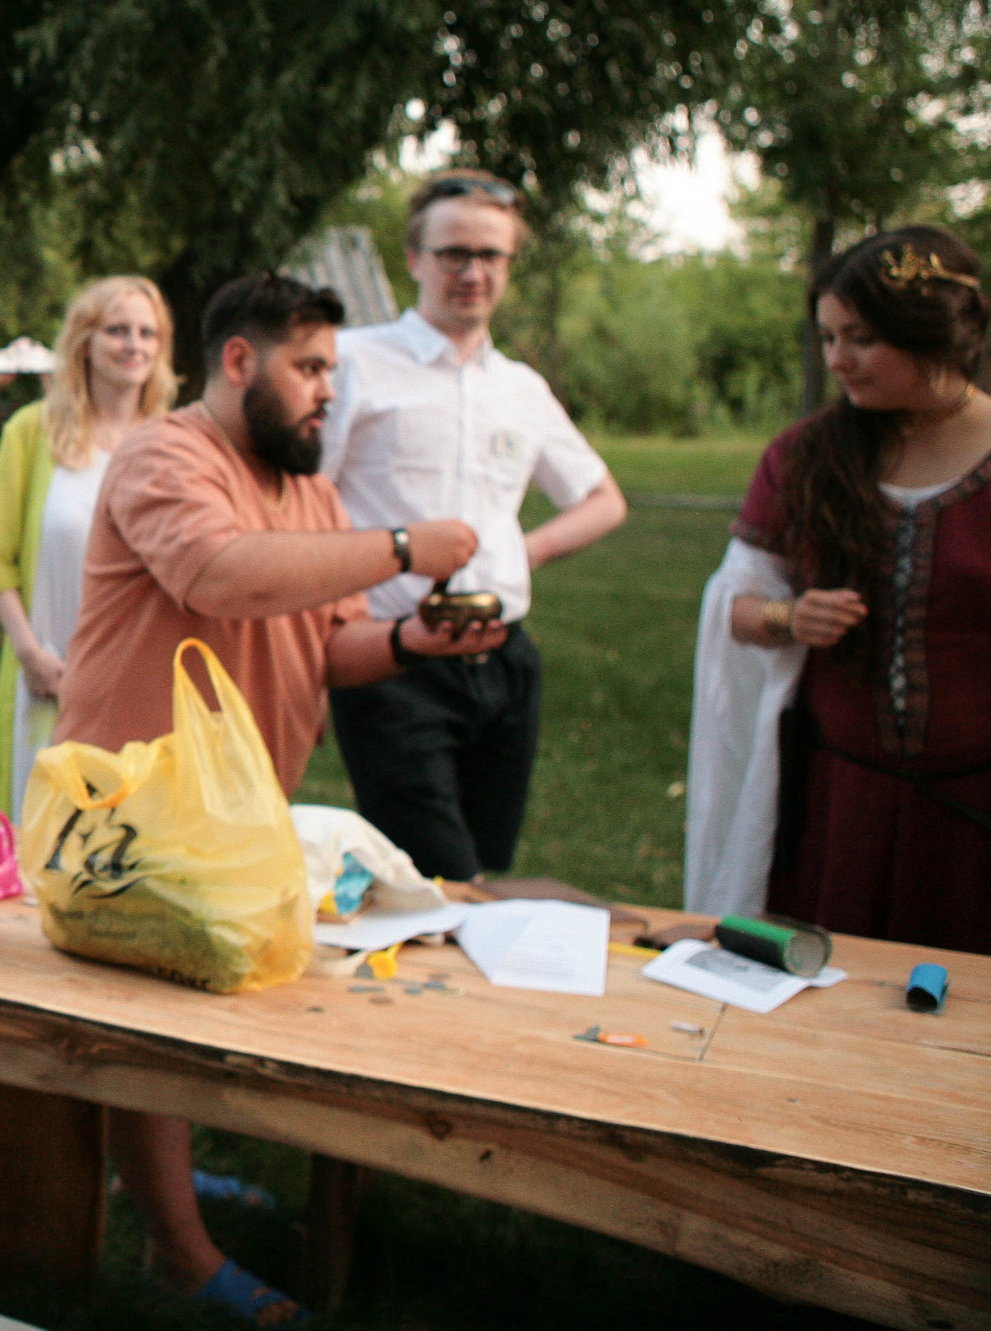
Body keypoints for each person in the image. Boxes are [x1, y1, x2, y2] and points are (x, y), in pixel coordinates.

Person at [53, 270, 500, 1329]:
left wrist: (407, 639)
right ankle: (178, 1253)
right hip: (129, 806)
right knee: (157, 1023)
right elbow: (222, 576)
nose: (325, 392)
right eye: (308, 368)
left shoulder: (309, 489)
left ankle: (160, 1174)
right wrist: (402, 550)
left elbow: (324, 639)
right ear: (240, 362)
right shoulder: (166, 454)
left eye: (332, 372)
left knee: (196, 1008)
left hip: (232, 812)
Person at [688, 226, 990, 954]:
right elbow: (737, 604)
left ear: (933, 330)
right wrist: (791, 616)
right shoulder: (806, 456)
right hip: (837, 809)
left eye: (860, 337)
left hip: (977, 816)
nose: (838, 360)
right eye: (827, 338)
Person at [321, 171, 626, 881]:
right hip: (395, 661)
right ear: (414, 257)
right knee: (434, 876)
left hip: (506, 664)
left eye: (492, 255)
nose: (473, 271)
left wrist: (522, 552)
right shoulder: (354, 363)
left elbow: (603, 497)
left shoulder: (519, 387)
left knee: (486, 873)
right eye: (454, 251)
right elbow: (308, 500)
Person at [0, 276, 176, 818]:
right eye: (117, 330)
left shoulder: (172, 442)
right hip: (49, 669)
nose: (134, 345)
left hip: (140, 673)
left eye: (147, 333)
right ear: (84, 340)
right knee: (40, 827)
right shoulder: (31, 432)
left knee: (133, 829)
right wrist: (30, 655)